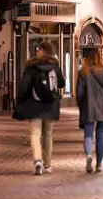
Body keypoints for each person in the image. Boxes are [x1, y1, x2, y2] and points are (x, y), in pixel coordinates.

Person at [13, 42, 65, 176]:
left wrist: (20, 100)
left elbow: (24, 85)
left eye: (38, 49)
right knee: (47, 134)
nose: (37, 52)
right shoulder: (55, 66)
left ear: (42, 51)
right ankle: (47, 165)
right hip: (50, 105)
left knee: (35, 134)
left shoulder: (31, 66)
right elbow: (61, 83)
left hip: (34, 105)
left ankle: (37, 161)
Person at [76, 49, 103, 173]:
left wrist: (81, 105)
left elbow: (80, 93)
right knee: (100, 135)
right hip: (102, 107)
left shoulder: (82, 73)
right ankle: (99, 165)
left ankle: (88, 155)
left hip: (88, 106)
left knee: (88, 134)